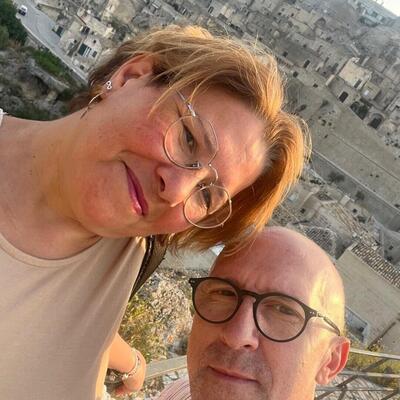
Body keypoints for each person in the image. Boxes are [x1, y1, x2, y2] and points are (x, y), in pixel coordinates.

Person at [0, 25, 308, 400]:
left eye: (206, 196)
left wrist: (130, 361)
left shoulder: (133, 255)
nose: (176, 190)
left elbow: (54, 319)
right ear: (129, 77)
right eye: (188, 138)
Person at [158, 227, 350, 400]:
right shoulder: (178, 393)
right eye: (224, 293)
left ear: (331, 361)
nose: (236, 336)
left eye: (284, 310)